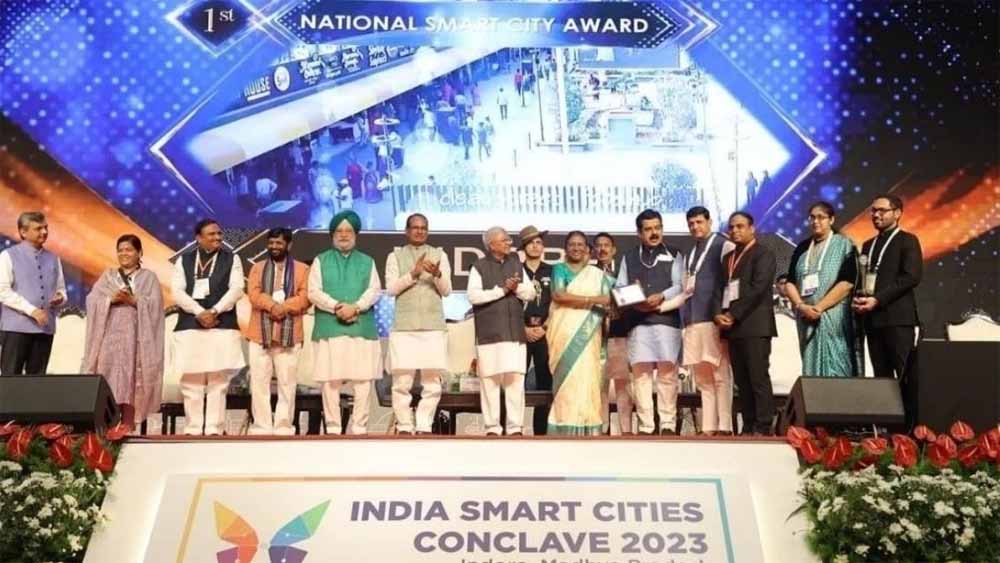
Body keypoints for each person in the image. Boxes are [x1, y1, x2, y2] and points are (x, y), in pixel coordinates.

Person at [308, 210, 382, 435]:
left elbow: (374, 290)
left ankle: (359, 428)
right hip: (330, 327)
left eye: (348, 230)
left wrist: (355, 307)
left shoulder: (367, 261)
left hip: (361, 326)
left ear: (355, 234)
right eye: (339, 231)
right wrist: (337, 306)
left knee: (363, 380)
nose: (343, 235)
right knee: (330, 379)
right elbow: (313, 292)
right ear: (332, 234)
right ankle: (333, 428)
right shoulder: (321, 260)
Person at [81, 235, 164, 431]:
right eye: (120, 250)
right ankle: (107, 426)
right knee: (107, 374)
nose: (124, 254)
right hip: (109, 336)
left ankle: (128, 424)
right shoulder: (108, 276)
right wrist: (110, 299)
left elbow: (155, 305)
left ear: (139, 253)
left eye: (129, 250)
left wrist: (135, 301)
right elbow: (92, 300)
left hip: (136, 338)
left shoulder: (149, 277)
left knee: (131, 378)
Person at [171, 219, 246, 435]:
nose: (218, 237)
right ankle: (193, 428)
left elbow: (237, 289)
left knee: (218, 380)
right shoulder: (184, 260)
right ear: (198, 238)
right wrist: (198, 312)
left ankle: (214, 428)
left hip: (222, 323)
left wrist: (214, 311)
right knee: (191, 379)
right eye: (212, 234)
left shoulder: (232, 258)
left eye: (219, 234)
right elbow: (177, 291)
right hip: (190, 324)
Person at [853, 194, 922, 426]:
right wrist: (859, 299)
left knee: (905, 377)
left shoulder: (907, 240)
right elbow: (863, 280)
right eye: (873, 211)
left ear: (897, 213)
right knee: (881, 379)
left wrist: (878, 299)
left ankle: (910, 431)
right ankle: (886, 430)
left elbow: (911, 277)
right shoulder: (868, 245)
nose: (876, 215)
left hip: (898, 319)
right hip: (873, 320)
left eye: (882, 210)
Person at [616, 209, 687, 435]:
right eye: (648, 229)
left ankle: (667, 424)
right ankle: (646, 426)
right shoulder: (629, 256)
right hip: (638, 322)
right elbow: (620, 287)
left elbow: (680, 285)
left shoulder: (674, 253)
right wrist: (635, 300)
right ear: (639, 233)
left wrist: (662, 296)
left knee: (668, 374)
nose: (654, 233)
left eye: (657, 228)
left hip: (666, 321)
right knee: (641, 376)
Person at [385, 213, 452, 434]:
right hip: (405, 327)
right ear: (407, 231)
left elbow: (447, 291)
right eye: (415, 227)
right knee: (401, 383)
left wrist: (437, 274)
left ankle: (424, 425)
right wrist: (413, 274)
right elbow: (391, 289)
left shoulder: (439, 254)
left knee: (432, 383)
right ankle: (404, 425)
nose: (419, 231)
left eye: (423, 228)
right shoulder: (395, 256)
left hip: (433, 326)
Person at [467, 226, 536, 436]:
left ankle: (515, 427)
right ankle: (492, 428)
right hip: (489, 333)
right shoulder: (479, 266)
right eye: (504, 240)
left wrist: (516, 288)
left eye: (508, 240)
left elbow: (531, 293)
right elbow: (474, 296)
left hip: (514, 333)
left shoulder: (516, 263)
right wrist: (502, 290)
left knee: (515, 380)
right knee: (490, 381)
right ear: (491, 245)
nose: (509, 243)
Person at [714, 212, 777, 435]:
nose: (735, 231)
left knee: (758, 377)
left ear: (752, 228)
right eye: (731, 227)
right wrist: (718, 314)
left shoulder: (764, 254)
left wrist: (733, 314)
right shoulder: (728, 258)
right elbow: (721, 290)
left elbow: (758, 289)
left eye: (740, 226)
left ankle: (764, 425)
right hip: (733, 328)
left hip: (755, 325)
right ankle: (748, 425)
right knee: (741, 380)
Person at [785, 202, 863, 377]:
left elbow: (847, 282)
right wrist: (801, 306)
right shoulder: (802, 247)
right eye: (812, 217)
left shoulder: (844, 245)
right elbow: (790, 282)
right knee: (811, 365)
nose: (815, 221)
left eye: (821, 217)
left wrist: (819, 308)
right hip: (805, 316)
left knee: (838, 365)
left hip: (834, 317)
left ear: (831, 220)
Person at [245, 228, 310, 435]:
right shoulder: (258, 268)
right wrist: (273, 306)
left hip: (290, 335)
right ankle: (262, 426)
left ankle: (283, 426)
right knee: (259, 382)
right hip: (259, 333)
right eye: (271, 243)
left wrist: (285, 307)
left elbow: (306, 297)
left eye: (279, 243)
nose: (274, 247)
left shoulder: (302, 269)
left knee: (287, 382)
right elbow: (253, 294)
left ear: (288, 245)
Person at [546, 231, 612, 436]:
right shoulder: (559, 269)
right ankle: (563, 425)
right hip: (564, 332)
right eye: (572, 244)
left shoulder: (597, 275)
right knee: (567, 381)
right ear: (565, 248)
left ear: (587, 249)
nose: (576, 248)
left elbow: (612, 299)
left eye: (580, 244)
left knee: (588, 378)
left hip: (589, 334)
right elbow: (559, 295)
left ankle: (587, 426)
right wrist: (592, 300)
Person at [680, 207, 735, 436]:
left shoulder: (724, 245)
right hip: (693, 320)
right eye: (691, 223)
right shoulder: (690, 252)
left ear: (710, 221)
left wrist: (725, 313)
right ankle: (709, 426)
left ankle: (725, 426)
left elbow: (731, 283)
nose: (695, 227)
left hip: (714, 319)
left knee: (720, 374)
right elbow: (686, 288)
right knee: (702, 378)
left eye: (699, 222)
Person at [0, 212, 66, 375]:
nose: (44, 232)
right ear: (23, 232)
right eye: (38, 229)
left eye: (46, 228)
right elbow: (3, 291)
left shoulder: (54, 258)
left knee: (37, 381)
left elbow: (61, 290)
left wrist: (60, 297)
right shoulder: (8, 256)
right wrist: (32, 311)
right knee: (11, 379)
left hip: (45, 329)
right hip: (16, 329)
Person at [594, 232, 634, 434]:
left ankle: (626, 429)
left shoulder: (622, 274)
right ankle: (601, 429)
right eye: (599, 245)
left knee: (622, 384)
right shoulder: (588, 275)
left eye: (606, 245)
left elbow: (631, 303)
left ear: (614, 249)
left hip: (619, 334)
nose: (602, 249)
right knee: (599, 386)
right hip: (595, 336)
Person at [519, 226, 553, 435]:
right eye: (530, 242)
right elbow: (510, 304)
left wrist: (544, 327)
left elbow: (557, 302)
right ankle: (513, 429)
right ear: (524, 247)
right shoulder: (515, 270)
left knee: (545, 382)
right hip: (519, 332)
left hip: (545, 332)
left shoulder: (552, 271)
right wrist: (522, 329)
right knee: (515, 381)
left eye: (538, 242)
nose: (535, 246)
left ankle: (541, 433)